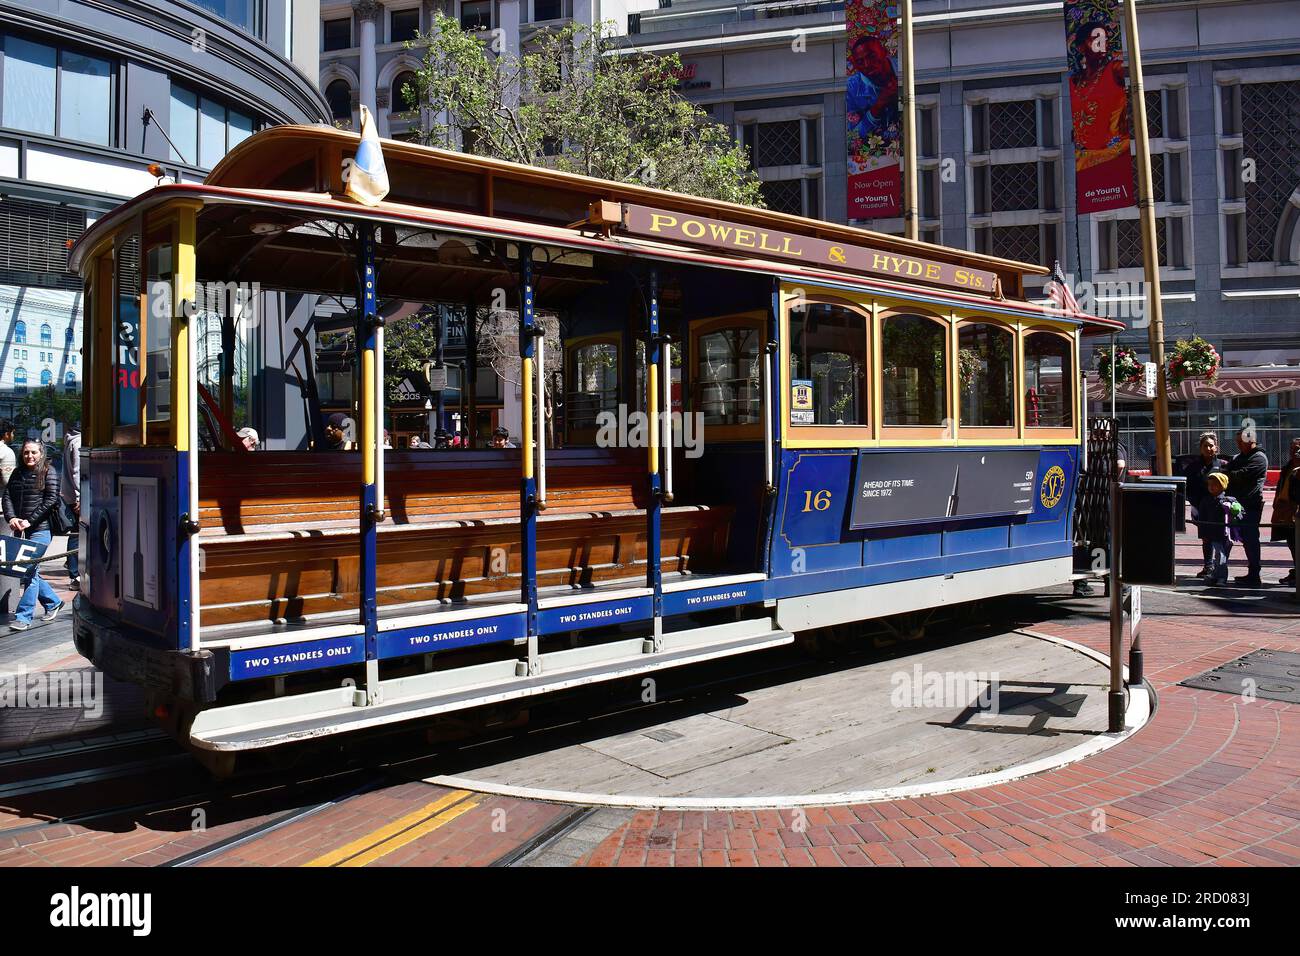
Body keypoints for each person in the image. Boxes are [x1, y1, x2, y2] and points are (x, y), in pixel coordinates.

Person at [3, 440, 64, 631]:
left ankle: (23, 617)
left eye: (34, 453)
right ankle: (53, 602)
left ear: (41, 453)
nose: (30, 456)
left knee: (29, 570)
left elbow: (51, 500)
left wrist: (30, 521)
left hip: (41, 530)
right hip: (19, 530)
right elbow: (7, 496)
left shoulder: (49, 471)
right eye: (26, 453)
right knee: (30, 571)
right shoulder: (17, 472)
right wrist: (11, 517)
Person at [1068, 21, 1130, 173]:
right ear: (1081, 47)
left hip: (1113, 157)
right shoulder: (1075, 82)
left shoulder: (1114, 69)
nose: (1101, 43)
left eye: (1104, 39)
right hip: (1085, 163)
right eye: (1095, 39)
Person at [1182, 432, 1229, 578]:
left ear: (1216, 447)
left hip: (1219, 509)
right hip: (1200, 509)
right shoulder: (1193, 467)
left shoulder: (1223, 465)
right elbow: (1187, 487)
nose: (1208, 448)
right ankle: (1208, 566)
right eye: (1205, 446)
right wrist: (1195, 503)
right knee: (1206, 538)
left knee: (1220, 538)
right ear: (1201, 448)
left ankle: (1219, 568)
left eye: (1211, 446)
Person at [1226, 426, 1268, 587]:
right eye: (1237, 442)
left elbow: (1240, 475)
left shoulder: (1259, 458)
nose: (1238, 445)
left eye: (1241, 442)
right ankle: (1220, 570)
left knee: (1251, 540)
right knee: (1228, 538)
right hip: (1235, 504)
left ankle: (1254, 573)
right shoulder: (1238, 457)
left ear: (1251, 441)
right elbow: (1229, 472)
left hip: (1251, 506)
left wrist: (1229, 474)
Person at [846, 36, 900, 145]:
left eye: (872, 57)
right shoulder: (852, 87)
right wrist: (878, 106)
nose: (867, 65)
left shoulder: (903, 69)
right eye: (860, 62)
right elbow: (852, 137)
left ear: (884, 52)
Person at [1199, 473, 1240, 586]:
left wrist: (1236, 511)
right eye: (1209, 484)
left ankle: (1219, 576)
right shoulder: (1206, 500)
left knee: (1221, 556)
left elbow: (1240, 514)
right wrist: (1203, 535)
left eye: (1215, 484)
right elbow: (1201, 519)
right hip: (1213, 534)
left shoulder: (1230, 500)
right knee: (1220, 556)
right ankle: (1218, 577)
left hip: (1226, 535)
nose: (1211, 487)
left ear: (1222, 486)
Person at [1272, 437, 1300, 586]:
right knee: (1292, 545)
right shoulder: (1287, 468)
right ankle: (1297, 572)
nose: (1296, 452)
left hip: (1298, 515)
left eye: (1298, 449)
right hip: (1287, 514)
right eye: (1293, 449)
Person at [61, 421, 81, 591]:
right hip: (76, 497)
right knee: (76, 535)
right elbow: (77, 472)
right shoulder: (79, 441)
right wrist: (80, 496)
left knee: (75, 534)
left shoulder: (69, 440)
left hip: (69, 495)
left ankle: (73, 569)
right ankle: (75, 575)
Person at [0, 419, 14, 487]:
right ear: (7, 434)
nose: (13, 435)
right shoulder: (6, 452)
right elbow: (8, 480)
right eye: (12, 433)